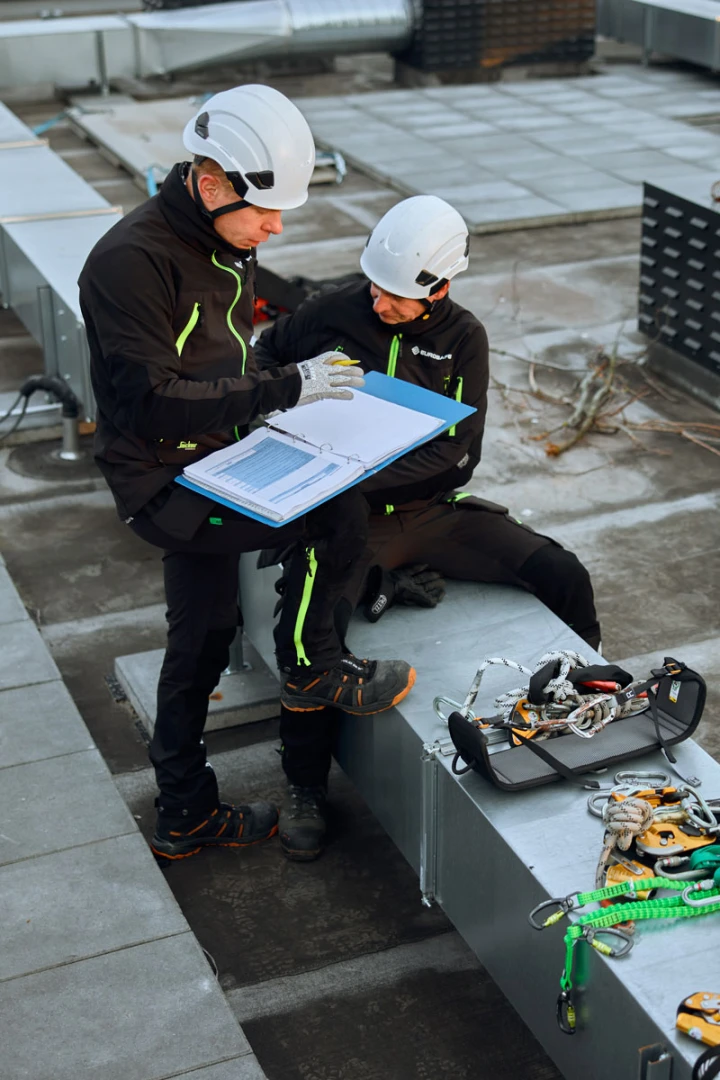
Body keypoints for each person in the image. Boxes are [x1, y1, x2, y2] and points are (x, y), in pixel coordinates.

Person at [78, 85, 415, 864]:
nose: (276, 227)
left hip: (217, 449)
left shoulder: (225, 235)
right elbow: (152, 402)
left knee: (201, 638)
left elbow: (231, 338)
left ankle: (184, 815)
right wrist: (285, 387)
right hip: (168, 481)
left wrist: (285, 370)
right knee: (336, 511)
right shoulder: (129, 263)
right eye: (265, 211)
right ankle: (316, 667)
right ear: (209, 182)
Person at [255, 194, 601, 861]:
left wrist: (359, 469)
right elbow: (267, 358)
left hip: (430, 511)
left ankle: (575, 697)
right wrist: (293, 432)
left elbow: (456, 452)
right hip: (343, 516)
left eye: (395, 298)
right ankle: (305, 787)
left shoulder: (462, 338)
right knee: (310, 634)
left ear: (439, 287)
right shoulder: (331, 311)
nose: (379, 303)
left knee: (561, 572)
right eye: (375, 289)